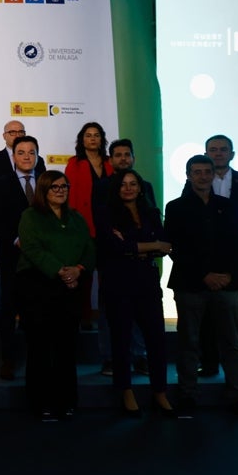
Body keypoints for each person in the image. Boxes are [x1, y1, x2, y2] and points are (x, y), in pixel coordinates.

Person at [164, 154, 238, 417]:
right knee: (189, 342)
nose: (202, 176)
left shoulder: (229, 206)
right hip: (191, 285)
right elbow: (175, 248)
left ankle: (237, 396)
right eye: (197, 172)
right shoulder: (175, 207)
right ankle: (188, 395)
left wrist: (226, 276)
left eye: (206, 171)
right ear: (188, 176)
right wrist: (205, 275)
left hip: (227, 284)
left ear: (213, 174)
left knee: (232, 343)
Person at [16, 170, 95, 421]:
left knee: (65, 349)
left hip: (70, 291)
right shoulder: (30, 216)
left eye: (64, 186)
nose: (60, 191)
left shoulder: (76, 218)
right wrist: (61, 271)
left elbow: (89, 249)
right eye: (54, 187)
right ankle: (39, 403)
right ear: (44, 191)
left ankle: (66, 401)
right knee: (39, 349)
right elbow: (31, 248)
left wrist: (78, 270)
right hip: (39, 289)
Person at [94, 170, 174, 417]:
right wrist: (149, 246)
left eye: (133, 184)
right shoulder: (106, 212)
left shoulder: (150, 212)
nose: (128, 188)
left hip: (147, 283)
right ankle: (125, 390)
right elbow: (115, 247)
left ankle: (159, 391)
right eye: (123, 184)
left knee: (156, 339)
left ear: (140, 187)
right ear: (116, 188)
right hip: (118, 283)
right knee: (121, 339)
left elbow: (166, 244)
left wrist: (135, 247)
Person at [92, 138, 155, 377]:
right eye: (117, 155)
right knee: (109, 312)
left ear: (133, 158)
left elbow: (151, 220)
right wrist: (124, 241)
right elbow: (103, 224)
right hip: (112, 260)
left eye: (127, 154)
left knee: (140, 312)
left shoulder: (145, 186)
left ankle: (140, 356)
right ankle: (109, 358)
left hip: (141, 262)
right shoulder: (102, 186)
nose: (123, 159)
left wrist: (141, 243)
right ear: (110, 160)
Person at [0, 135, 41, 380]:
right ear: (13, 156)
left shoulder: (48, 183)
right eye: (21, 152)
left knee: (37, 314)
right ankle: (8, 360)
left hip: (42, 262)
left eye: (31, 152)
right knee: (8, 313)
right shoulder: (1, 183)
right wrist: (17, 240)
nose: (27, 157)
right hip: (12, 258)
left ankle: (38, 363)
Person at [197, 134, 238, 377]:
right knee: (206, 312)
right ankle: (208, 363)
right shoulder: (195, 181)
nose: (218, 153)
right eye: (213, 149)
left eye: (223, 149)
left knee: (237, 311)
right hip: (205, 256)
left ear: (232, 154)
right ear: (206, 153)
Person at [64, 122, 112, 331]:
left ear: (102, 139)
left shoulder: (110, 163)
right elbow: (69, 197)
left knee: (108, 276)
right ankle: (84, 316)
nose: (92, 138)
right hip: (83, 226)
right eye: (88, 135)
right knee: (84, 276)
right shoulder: (74, 163)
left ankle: (107, 315)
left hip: (108, 226)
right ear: (81, 139)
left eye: (96, 135)